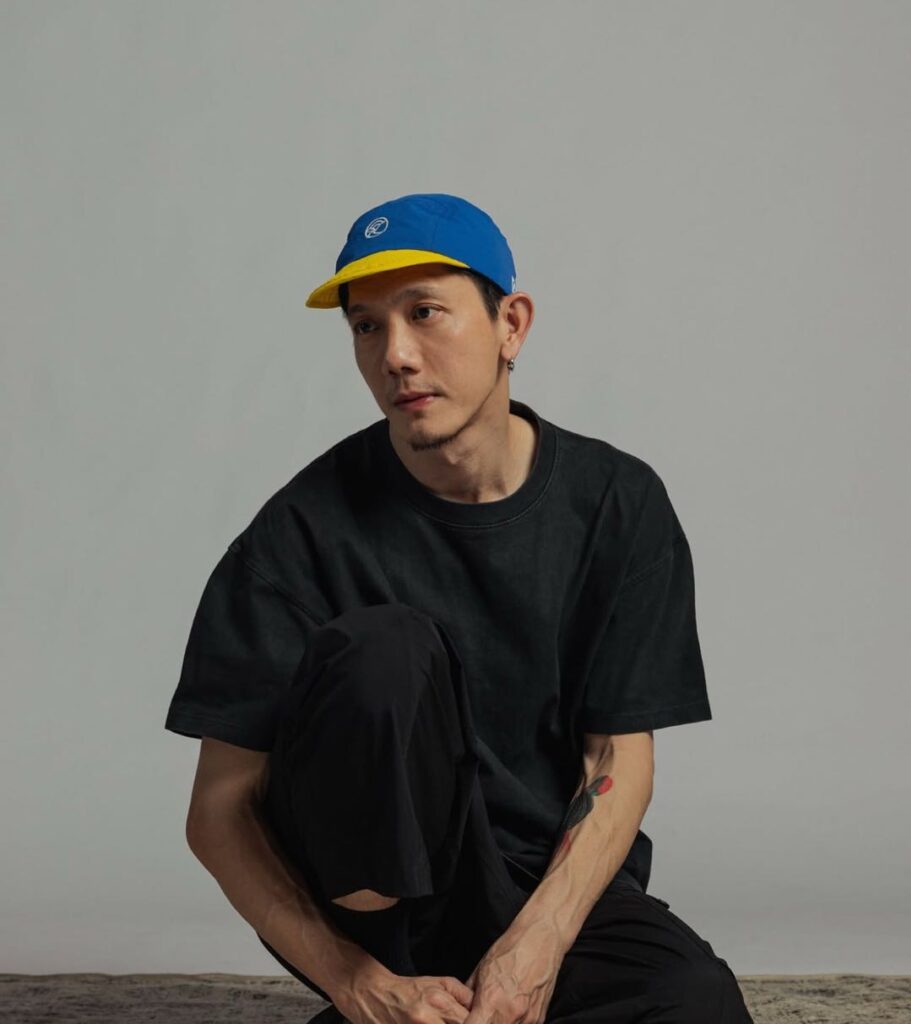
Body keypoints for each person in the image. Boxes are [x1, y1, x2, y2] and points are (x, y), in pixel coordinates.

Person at [165, 192, 755, 1023]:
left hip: (539, 880)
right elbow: (219, 809)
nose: (395, 355)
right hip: (378, 919)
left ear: (511, 324)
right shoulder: (300, 532)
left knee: (696, 1002)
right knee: (385, 649)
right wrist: (353, 979)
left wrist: (536, 946)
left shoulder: (616, 505)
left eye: (425, 313)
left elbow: (616, 759)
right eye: (366, 326)